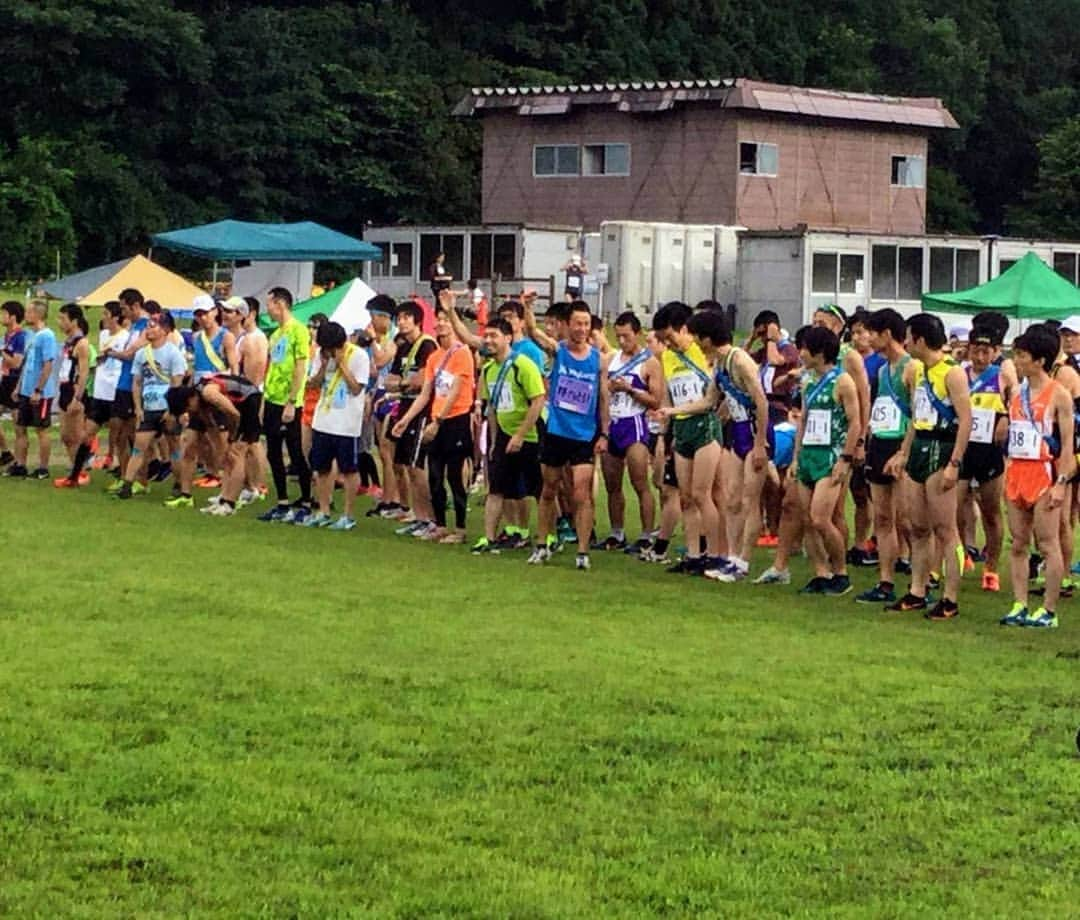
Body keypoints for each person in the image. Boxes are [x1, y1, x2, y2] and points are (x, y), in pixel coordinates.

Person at [883, 313, 972, 619]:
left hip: (942, 447)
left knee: (946, 530)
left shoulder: (952, 373)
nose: (905, 342)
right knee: (917, 526)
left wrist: (954, 463)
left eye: (909, 337)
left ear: (920, 339)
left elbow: (966, 420)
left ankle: (950, 597)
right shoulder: (918, 370)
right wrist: (903, 452)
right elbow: (915, 416)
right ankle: (917, 590)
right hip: (919, 445)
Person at [999, 325, 1075, 628]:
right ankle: (1019, 603)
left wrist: (1061, 483)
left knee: (1047, 543)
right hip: (1017, 471)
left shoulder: (1059, 395)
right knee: (1017, 543)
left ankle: (1048, 609)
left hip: (1044, 474)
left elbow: (1068, 443)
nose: (1017, 361)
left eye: (1022, 356)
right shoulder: (1016, 392)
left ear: (1040, 360)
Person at [528, 300, 610, 570]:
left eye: (587, 324)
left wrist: (604, 433)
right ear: (568, 324)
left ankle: (583, 551)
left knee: (581, 493)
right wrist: (528, 308)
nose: (582, 328)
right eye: (578, 323)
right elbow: (534, 333)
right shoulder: (558, 350)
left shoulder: (598, 359)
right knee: (549, 489)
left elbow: (604, 398)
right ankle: (542, 544)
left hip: (584, 435)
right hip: (557, 431)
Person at [692, 308, 771, 582]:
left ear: (707, 338)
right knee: (732, 497)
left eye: (697, 338)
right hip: (736, 431)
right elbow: (708, 401)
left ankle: (744, 562)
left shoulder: (739, 360)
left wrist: (760, 444)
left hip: (753, 430)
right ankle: (732, 557)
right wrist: (672, 411)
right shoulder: (720, 364)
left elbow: (761, 400)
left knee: (750, 499)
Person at [392, 293, 476, 543]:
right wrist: (406, 419)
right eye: (438, 320)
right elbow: (426, 392)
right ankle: (439, 524)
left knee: (454, 476)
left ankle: (460, 528)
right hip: (435, 420)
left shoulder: (463, 354)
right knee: (435, 474)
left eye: (445, 320)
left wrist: (438, 421)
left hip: (456, 420)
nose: (440, 324)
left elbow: (456, 390)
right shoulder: (434, 357)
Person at [651, 301, 726, 576]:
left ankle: (716, 554)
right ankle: (693, 554)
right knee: (685, 497)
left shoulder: (703, 350)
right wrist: (665, 428)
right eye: (662, 340)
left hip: (705, 425)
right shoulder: (667, 358)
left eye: (669, 337)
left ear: (684, 329)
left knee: (702, 493)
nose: (667, 344)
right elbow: (670, 393)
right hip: (681, 426)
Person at [790, 326, 860, 596]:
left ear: (819, 352)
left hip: (831, 455)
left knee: (821, 518)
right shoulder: (807, 380)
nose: (801, 354)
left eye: (805, 348)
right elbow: (804, 420)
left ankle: (840, 571)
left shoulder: (842, 381)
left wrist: (846, 458)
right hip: (809, 452)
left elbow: (855, 422)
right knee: (807, 519)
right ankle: (820, 571)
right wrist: (796, 457)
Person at [855, 309, 915, 604]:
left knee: (909, 518)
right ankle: (885, 580)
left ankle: (923, 579)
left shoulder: (911, 367)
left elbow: (919, 414)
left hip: (902, 445)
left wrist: (905, 450)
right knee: (882, 516)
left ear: (887, 334)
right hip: (880, 442)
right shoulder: (880, 370)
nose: (868, 338)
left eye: (873, 333)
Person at [472, 318, 546, 553]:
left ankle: (548, 536)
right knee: (497, 488)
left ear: (508, 338)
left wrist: (521, 435)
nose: (488, 340)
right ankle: (489, 537)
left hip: (531, 433)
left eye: (494, 336)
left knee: (540, 489)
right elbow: (491, 407)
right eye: (486, 336)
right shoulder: (487, 370)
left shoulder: (523, 365)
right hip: (504, 433)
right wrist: (494, 440)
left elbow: (538, 400)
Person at [594, 311, 662, 552]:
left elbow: (656, 400)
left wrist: (631, 389)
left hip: (635, 425)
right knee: (612, 483)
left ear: (638, 334)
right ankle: (617, 532)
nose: (622, 341)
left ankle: (646, 535)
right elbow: (602, 396)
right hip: (613, 424)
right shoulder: (611, 360)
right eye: (619, 336)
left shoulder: (649, 362)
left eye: (627, 337)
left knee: (640, 481)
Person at [956, 324, 1011, 593]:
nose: (980, 357)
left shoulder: (1001, 376)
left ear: (995, 352)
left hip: (989, 450)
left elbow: (1015, 405)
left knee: (991, 512)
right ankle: (960, 553)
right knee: (953, 508)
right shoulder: (959, 375)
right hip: (962, 448)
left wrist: (1006, 419)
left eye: (986, 352)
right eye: (976, 351)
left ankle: (991, 568)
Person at [302, 321, 370, 530]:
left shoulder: (359, 356)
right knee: (321, 468)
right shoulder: (321, 355)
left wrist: (341, 364)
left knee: (349, 469)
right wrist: (323, 366)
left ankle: (348, 514)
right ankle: (323, 509)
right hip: (323, 419)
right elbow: (312, 384)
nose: (331, 352)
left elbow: (357, 388)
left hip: (347, 423)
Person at [166, 373, 264, 516]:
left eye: (188, 408)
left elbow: (235, 415)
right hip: (238, 408)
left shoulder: (209, 393)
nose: (189, 412)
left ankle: (230, 504)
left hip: (249, 401)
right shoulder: (200, 403)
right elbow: (211, 425)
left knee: (237, 453)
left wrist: (232, 438)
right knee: (228, 457)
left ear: (191, 399)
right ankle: (223, 499)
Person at [112, 312, 186, 499]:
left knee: (174, 449)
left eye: (154, 326)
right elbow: (136, 382)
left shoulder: (173, 353)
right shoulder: (142, 354)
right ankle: (127, 484)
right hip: (148, 408)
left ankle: (179, 484)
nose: (149, 329)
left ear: (165, 330)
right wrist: (138, 407)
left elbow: (177, 384)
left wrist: (172, 410)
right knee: (139, 447)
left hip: (166, 408)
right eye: (148, 326)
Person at [256, 287, 314, 523]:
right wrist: (264, 400)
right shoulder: (275, 334)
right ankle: (282, 501)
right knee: (273, 451)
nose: (267, 308)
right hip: (272, 399)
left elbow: (300, 367)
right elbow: (272, 368)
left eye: (269, 304)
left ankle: (307, 500)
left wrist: (292, 401)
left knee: (296, 451)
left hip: (290, 402)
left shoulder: (298, 331)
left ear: (279, 304)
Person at [385, 300, 438, 533]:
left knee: (417, 466)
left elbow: (423, 381)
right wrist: (406, 385)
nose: (402, 322)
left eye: (407, 317)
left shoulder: (426, 345)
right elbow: (390, 381)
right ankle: (418, 515)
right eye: (400, 318)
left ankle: (430, 518)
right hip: (405, 407)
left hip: (422, 410)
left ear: (417, 320)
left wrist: (404, 384)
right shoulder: (403, 347)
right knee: (406, 464)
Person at [6, 300, 59, 479]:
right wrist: (19, 386)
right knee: (20, 427)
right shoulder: (31, 336)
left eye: (29, 312)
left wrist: (38, 389)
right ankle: (20, 464)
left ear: (38, 314)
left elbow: (48, 364)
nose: (26, 315)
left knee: (41, 429)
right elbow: (27, 363)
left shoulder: (47, 336)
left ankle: (43, 468)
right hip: (25, 390)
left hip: (40, 392)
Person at [105, 288, 151, 486]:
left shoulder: (147, 326)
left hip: (135, 384)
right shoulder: (133, 326)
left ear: (135, 306)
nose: (122, 313)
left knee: (135, 435)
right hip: (123, 384)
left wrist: (112, 353)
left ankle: (140, 479)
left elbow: (132, 353)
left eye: (124, 308)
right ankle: (124, 475)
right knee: (120, 434)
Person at [745, 309, 801, 425]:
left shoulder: (788, 349)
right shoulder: (765, 350)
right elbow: (743, 358)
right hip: (763, 401)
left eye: (763, 333)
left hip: (780, 405)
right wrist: (751, 339)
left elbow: (775, 360)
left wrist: (771, 339)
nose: (762, 338)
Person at [54, 304, 91, 477]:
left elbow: (83, 373)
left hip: (74, 391)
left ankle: (80, 471)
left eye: (63, 319)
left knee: (75, 435)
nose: (59, 322)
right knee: (65, 436)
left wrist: (77, 398)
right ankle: (75, 468)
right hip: (64, 388)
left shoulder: (81, 343)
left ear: (74, 321)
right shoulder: (68, 342)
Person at [0, 300, 28, 466]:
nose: (2, 317)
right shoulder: (7, 336)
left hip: (15, 381)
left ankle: (20, 462)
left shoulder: (20, 336)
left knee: (18, 423)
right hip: (4, 379)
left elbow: (17, 363)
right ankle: (5, 452)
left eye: (4, 314)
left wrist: (2, 352)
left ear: (13, 317)